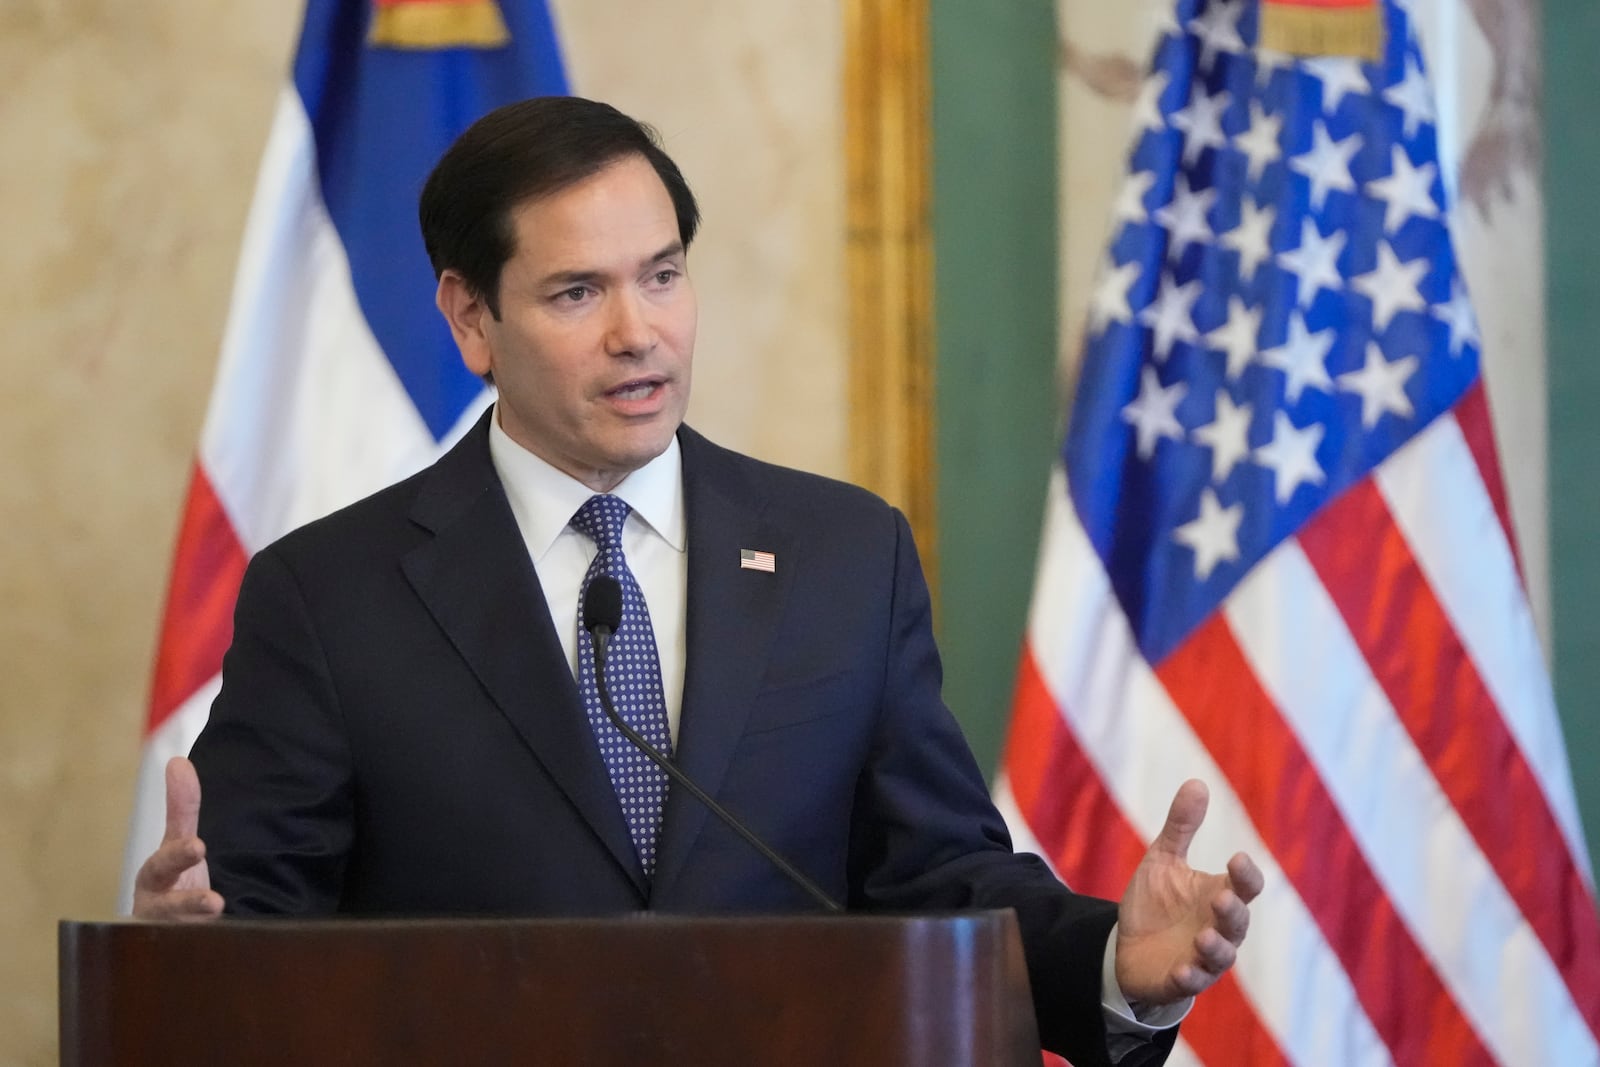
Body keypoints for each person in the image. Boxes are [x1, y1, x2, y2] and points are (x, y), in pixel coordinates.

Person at [133, 96, 1262, 1066]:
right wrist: (182, 965)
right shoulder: (331, 594)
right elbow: (251, 941)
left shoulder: (842, 555)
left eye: (662, 275)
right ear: (470, 316)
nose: (640, 333)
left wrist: (1117, 961)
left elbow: (937, 877)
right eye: (577, 293)